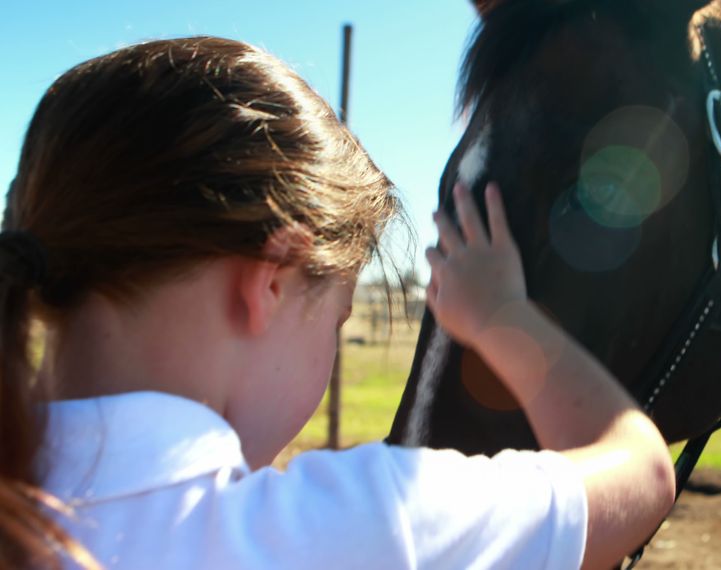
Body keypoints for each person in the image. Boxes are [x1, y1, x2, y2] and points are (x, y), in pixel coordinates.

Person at [0, 36, 675, 570]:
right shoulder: (367, 526)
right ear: (268, 280)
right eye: (337, 316)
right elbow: (638, 474)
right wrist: (503, 317)